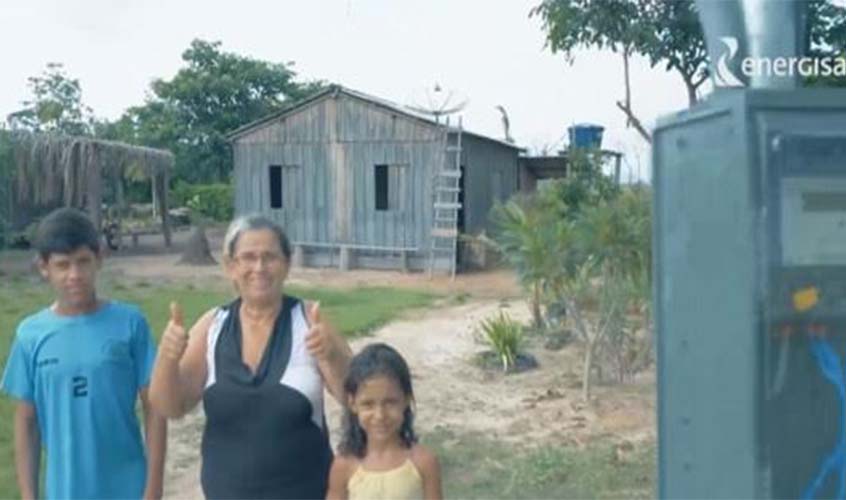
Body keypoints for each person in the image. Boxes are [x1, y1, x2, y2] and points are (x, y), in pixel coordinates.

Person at [149, 213, 352, 499]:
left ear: (286, 264)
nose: (259, 267)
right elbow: (170, 406)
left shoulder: (309, 321)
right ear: (231, 266)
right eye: (248, 257)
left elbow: (354, 397)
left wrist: (331, 356)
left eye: (270, 257)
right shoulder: (212, 326)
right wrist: (167, 358)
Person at [1, 207, 167, 499]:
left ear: (99, 259)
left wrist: (153, 489)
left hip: (128, 487)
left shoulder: (130, 324)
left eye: (83, 262)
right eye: (63, 265)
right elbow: (27, 422)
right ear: (44, 267)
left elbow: (155, 408)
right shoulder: (31, 336)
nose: (74, 275)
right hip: (65, 490)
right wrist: (29, 495)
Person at [326, 343, 443, 500]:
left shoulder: (424, 463)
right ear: (353, 403)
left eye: (390, 402)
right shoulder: (344, 467)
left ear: (406, 400)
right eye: (368, 404)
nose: (380, 415)